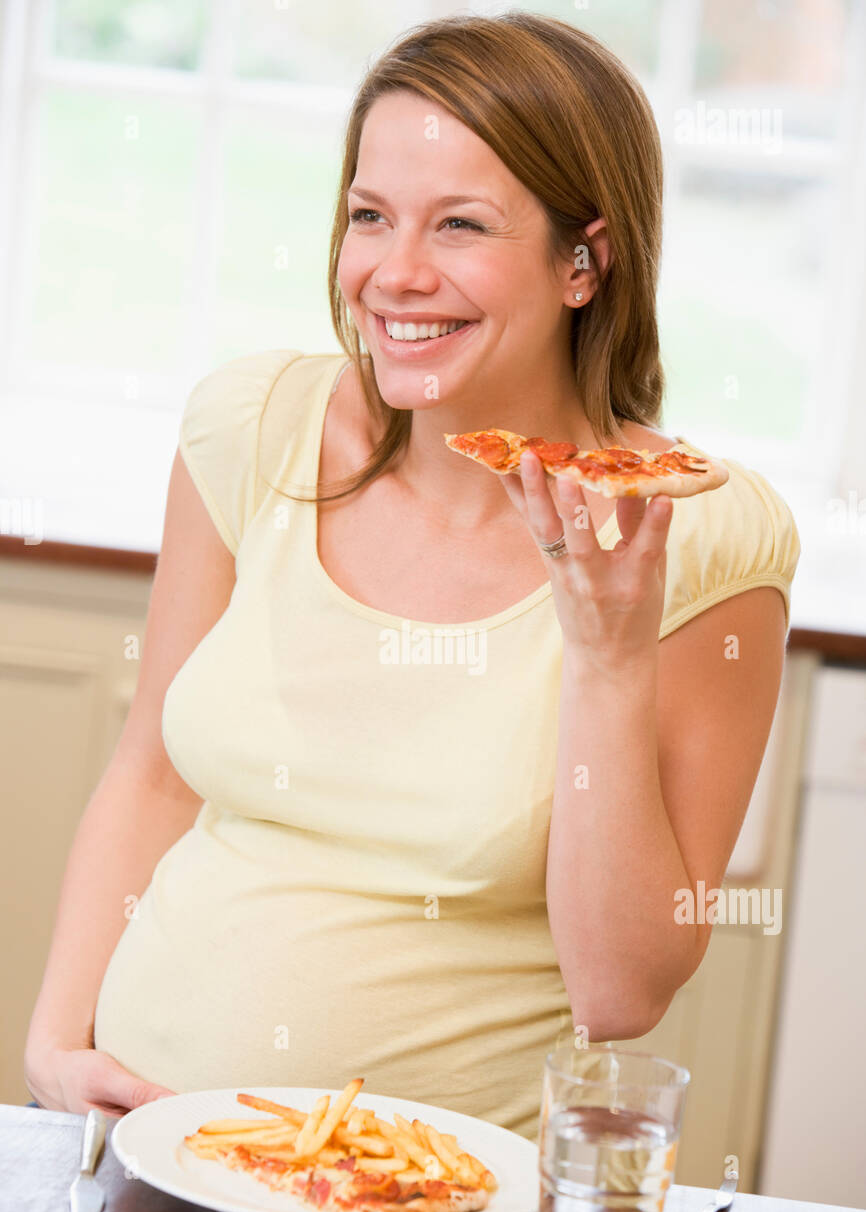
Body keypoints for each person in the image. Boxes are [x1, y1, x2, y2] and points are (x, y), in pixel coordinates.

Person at [25, 13, 799, 1139]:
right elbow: (151, 772)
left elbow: (619, 992)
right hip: (145, 1151)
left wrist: (606, 660)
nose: (394, 274)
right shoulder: (252, 429)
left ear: (583, 260)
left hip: (432, 1208)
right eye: (369, 216)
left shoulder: (697, 535)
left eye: (460, 226)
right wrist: (53, 1044)